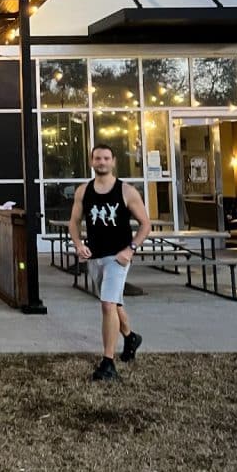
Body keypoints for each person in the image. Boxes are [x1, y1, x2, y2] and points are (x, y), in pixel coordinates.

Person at [70, 144, 151, 382]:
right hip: (94, 256)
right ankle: (131, 337)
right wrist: (78, 245)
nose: (102, 162)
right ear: (91, 161)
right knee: (113, 303)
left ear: (113, 161)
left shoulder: (126, 191)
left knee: (107, 305)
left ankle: (108, 363)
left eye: (106, 158)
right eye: (97, 158)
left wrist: (130, 249)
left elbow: (145, 224)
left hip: (118, 257)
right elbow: (74, 222)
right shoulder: (83, 191)